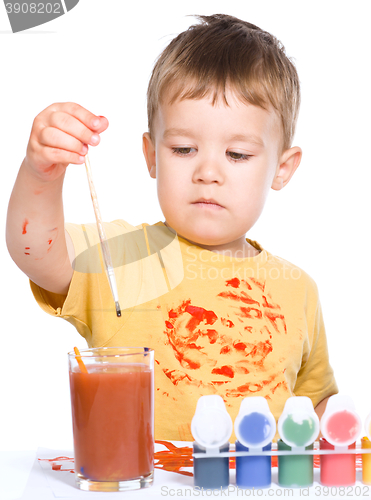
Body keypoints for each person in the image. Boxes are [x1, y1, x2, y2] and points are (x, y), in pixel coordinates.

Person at [6, 14, 337, 441]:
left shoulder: (298, 290)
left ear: (283, 167)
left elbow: (315, 407)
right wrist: (41, 173)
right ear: (152, 156)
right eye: (183, 148)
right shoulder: (119, 256)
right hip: (134, 483)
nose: (208, 171)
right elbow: (32, 249)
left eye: (237, 154)